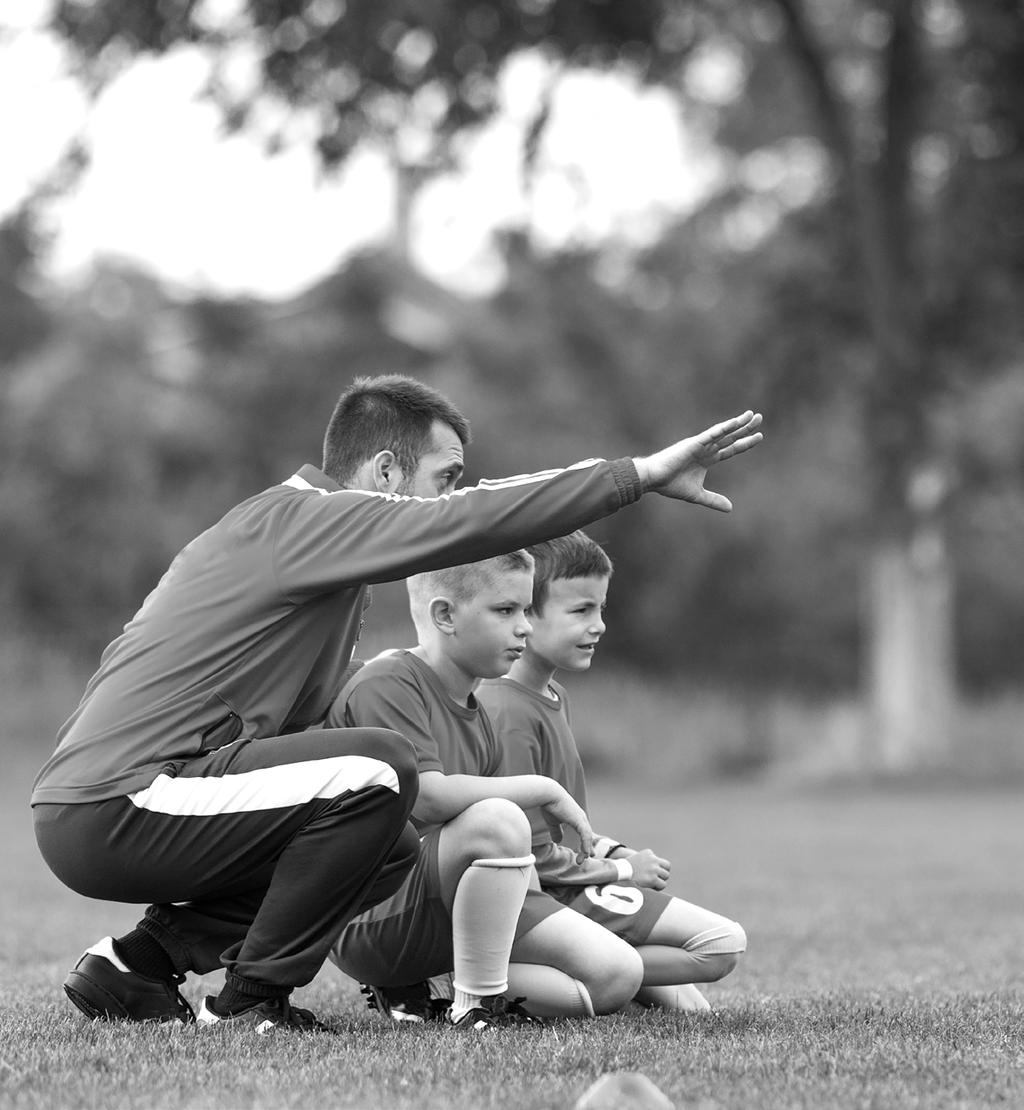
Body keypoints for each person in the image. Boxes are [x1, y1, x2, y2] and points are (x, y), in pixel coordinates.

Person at [31, 371, 763, 1033]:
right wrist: (635, 475)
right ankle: (250, 1003)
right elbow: (472, 519)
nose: (449, 498)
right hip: (119, 801)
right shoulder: (303, 520)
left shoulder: (307, 549)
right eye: (444, 478)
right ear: (384, 470)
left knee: (388, 839)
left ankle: (136, 966)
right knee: (380, 770)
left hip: (133, 802)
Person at [328, 551, 650, 1025]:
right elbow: (429, 797)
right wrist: (543, 788)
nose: (524, 627)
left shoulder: (480, 716)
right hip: (372, 915)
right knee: (499, 817)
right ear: (445, 616)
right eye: (506, 611)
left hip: (448, 909)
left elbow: (512, 861)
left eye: (524, 610)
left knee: (617, 975)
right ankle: (475, 1004)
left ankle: (442, 985)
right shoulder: (387, 682)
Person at [478, 531, 747, 1014]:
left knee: (694, 1013)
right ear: (525, 614)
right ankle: (491, 977)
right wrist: (622, 871)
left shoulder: (553, 697)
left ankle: (587, 975)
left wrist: (610, 849)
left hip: (571, 883)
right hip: (543, 900)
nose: (599, 625)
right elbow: (528, 857)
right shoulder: (506, 711)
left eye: (600, 609)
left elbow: (562, 828)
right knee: (720, 946)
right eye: (581, 611)